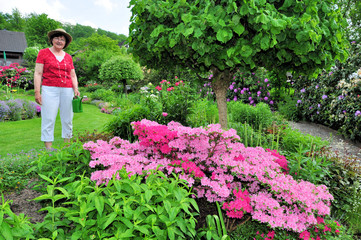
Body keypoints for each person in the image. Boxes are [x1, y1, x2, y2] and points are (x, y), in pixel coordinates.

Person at [34, 29, 80, 150]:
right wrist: (37, 92)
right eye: (57, 38)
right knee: (48, 118)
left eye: (62, 39)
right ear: (52, 40)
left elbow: (73, 75)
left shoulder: (68, 57)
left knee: (68, 119)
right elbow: (38, 73)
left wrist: (76, 88)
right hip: (49, 89)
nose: (59, 41)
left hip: (67, 90)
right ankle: (49, 148)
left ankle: (67, 146)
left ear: (66, 42)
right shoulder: (43, 53)